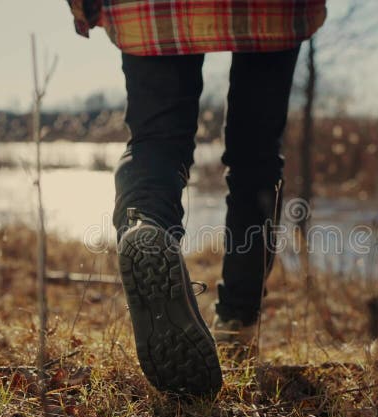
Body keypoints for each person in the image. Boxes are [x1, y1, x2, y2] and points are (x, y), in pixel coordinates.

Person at [68, 0, 326, 396]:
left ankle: (146, 223)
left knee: (156, 142)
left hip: (152, 8)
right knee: (255, 154)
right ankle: (237, 324)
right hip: (269, 9)